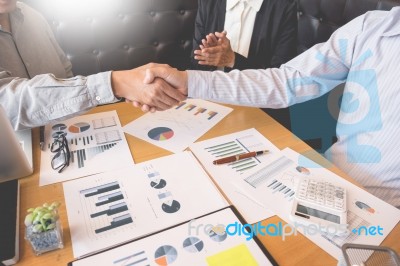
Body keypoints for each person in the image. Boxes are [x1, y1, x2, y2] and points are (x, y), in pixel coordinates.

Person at [141, 7, 400, 208]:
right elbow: (286, 81)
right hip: (326, 177)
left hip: (386, 210)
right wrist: (188, 81)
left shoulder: (282, 8)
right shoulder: (371, 26)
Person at [0, 0, 185, 130]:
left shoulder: (34, 16)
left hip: (66, 133)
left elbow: (64, 70)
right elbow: (7, 104)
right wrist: (115, 83)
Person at [191, 0, 298, 70]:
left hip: (257, 101)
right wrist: (208, 56)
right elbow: (195, 61)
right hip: (209, 95)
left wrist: (232, 60)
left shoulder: (284, 8)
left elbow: (281, 78)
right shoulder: (208, 3)